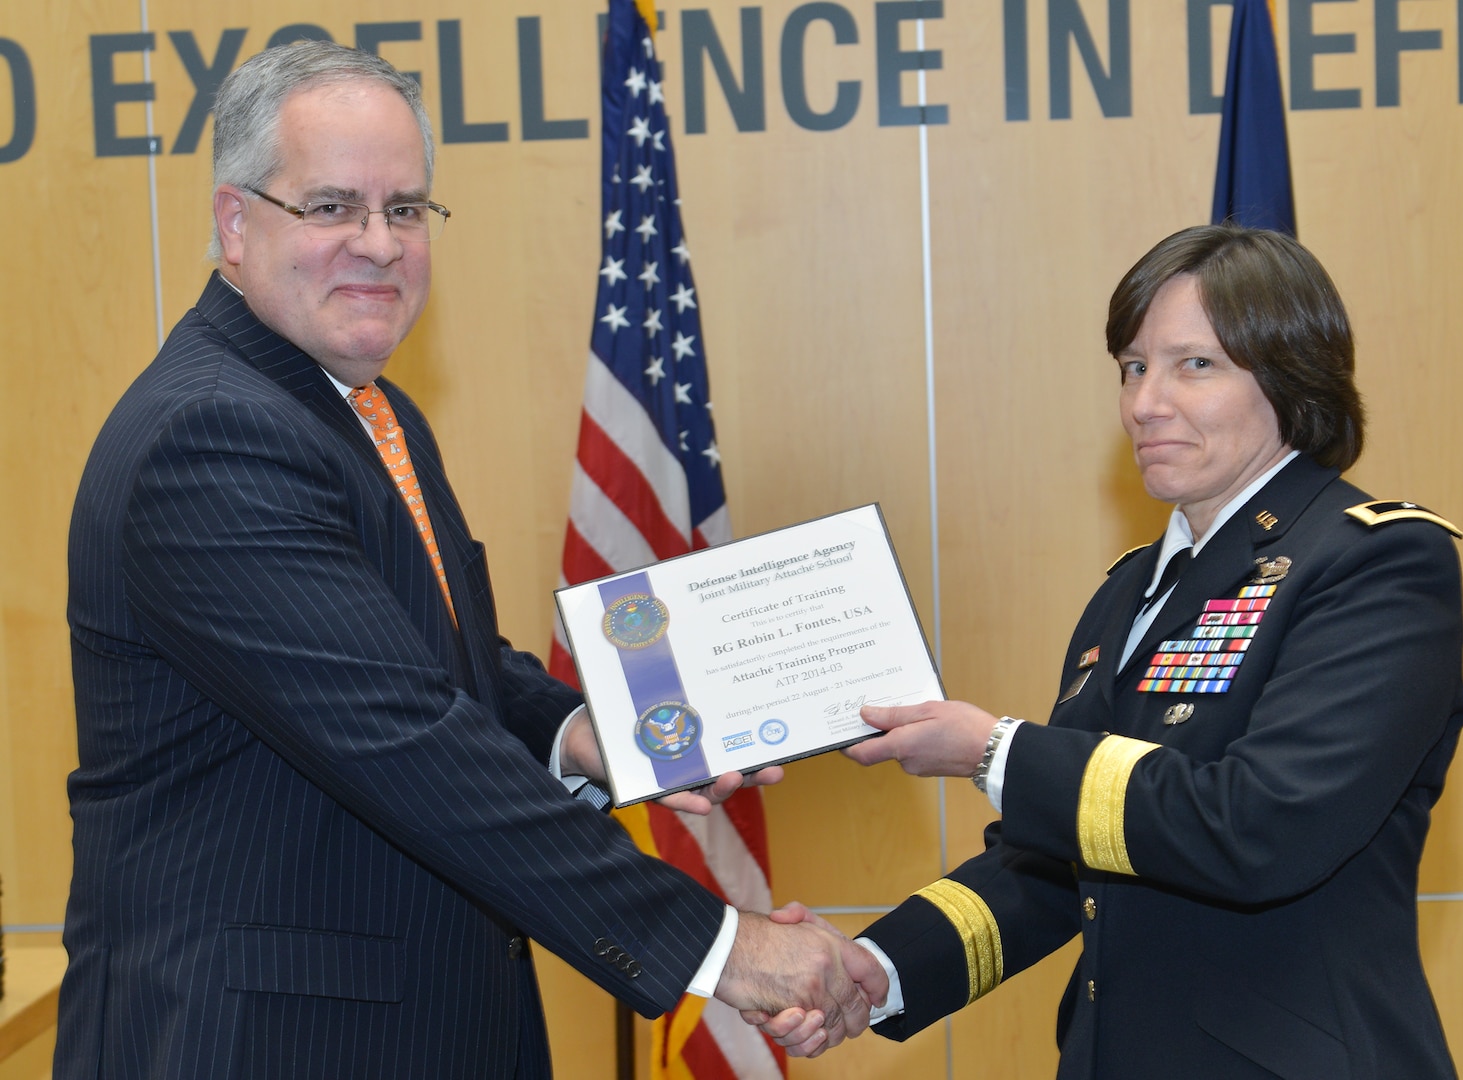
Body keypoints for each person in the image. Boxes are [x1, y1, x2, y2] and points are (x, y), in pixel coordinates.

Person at [59, 41, 883, 1079]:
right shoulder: (213, 439)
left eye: (405, 209)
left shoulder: (365, 409)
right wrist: (726, 946)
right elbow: (408, 739)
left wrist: (605, 734)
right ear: (235, 222)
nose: (378, 242)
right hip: (269, 1044)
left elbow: (450, 668)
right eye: (331, 208)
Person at [755, 224, 1463, 1078]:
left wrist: (992, 751)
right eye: (1134, 367)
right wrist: (882, 969)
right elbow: (1064, 856)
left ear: (1291, 377)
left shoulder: (1378, 559)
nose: (1145, 402)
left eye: (1194, 365)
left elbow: (1262, 826)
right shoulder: (1129, 591)